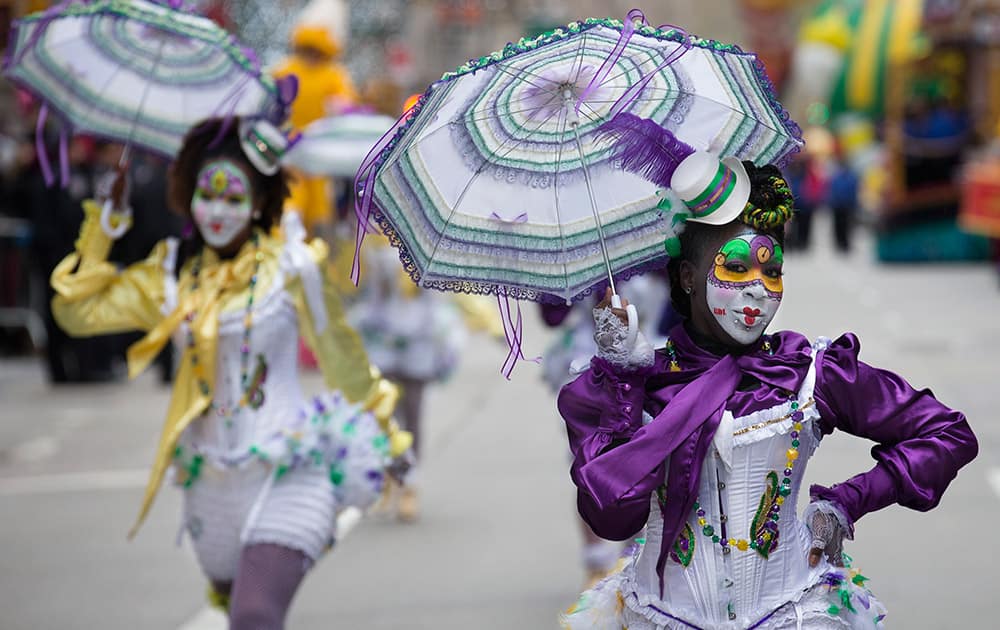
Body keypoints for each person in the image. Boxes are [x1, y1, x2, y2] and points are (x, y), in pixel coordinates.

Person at [559, 115, 977, 629]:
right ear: (688, 276)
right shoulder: (637, 383)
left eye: (772, 269)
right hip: (661, 616)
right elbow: (611, 515)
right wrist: (623, 376)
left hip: (792, 614)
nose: (758, 288)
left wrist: (846, 503)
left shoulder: (808, 373)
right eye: (736, 268)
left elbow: (945, 432)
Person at [49, 117, 411, 629]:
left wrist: (389, 435)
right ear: (188, 195)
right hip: (210, 482)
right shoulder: (172, 272)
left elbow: (341, 356)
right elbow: (75, 312)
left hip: (291, 467)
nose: (218, 210)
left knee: (255, 616)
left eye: (234, 197)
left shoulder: (293, 266)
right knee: (236, 606)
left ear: (260, 202)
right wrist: (102, 231)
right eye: (207, 194)